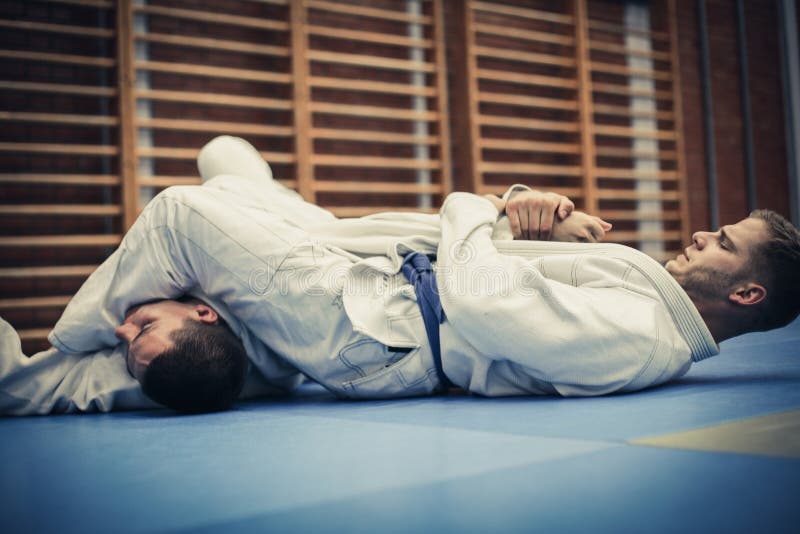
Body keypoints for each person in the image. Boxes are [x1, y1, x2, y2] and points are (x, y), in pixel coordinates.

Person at [2, 137, 799, 414]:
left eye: (724, 243)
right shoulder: (649, 302)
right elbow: (518, 282)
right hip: (363, 291)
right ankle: (21, 381)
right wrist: (536, 215)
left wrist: (478, 205)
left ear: (746, 293)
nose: (704, 232)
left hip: (366, 323)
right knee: (227, 165)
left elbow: (482, 305)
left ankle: (63, 337)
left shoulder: (643, 334)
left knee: (182, 215)